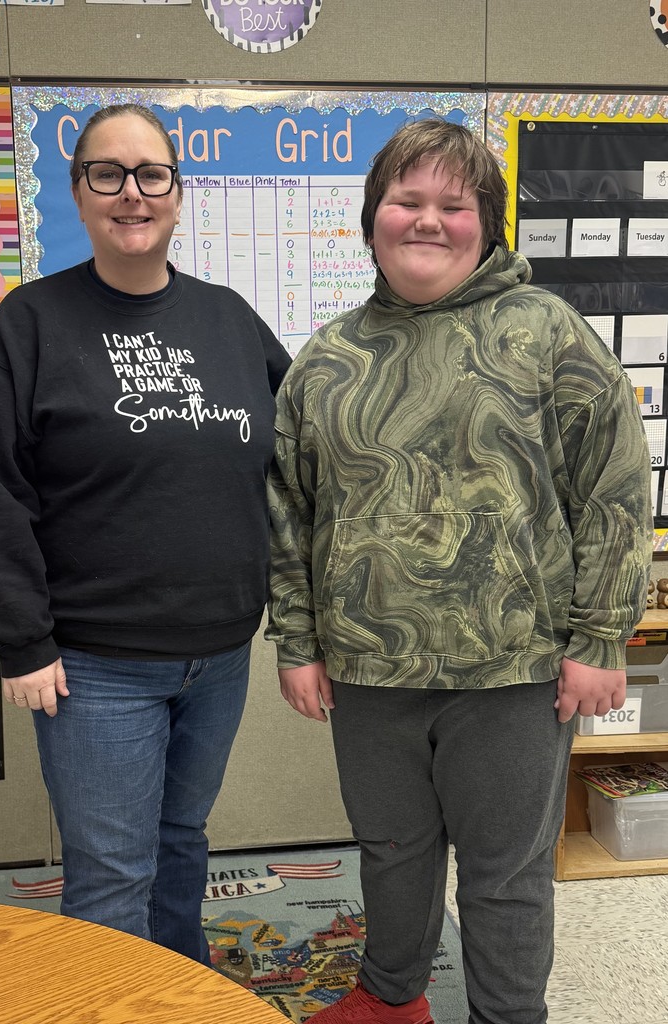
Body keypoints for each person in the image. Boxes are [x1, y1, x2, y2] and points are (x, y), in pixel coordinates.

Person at [266, 118, 652, 1024]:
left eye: (455, 203)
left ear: (487, 223)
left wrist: (600, 638)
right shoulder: (328, 359)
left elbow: (613, 488)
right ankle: (392, 997)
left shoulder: (547, 332)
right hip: (369, 668)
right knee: (392, 850)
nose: (428, 220)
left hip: (514, 671)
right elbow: (290, 511)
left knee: (504, 873)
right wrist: (297, 641)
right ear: (373, 218)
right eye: (407, 200)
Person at [0, 103, 291, 963]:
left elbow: (305, 444)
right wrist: (21, 643)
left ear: (177, 193)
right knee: (110, 876)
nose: (131, 193)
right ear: (79, 193)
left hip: (219, 654)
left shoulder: (228, 318)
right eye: (107, 174)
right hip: (93, 665)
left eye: (151, 174)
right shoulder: (29, 324)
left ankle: (177, 996)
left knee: (181, 843)